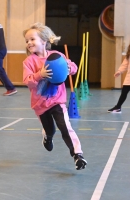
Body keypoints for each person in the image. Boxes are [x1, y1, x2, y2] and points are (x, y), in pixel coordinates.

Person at [22, 22, 87, 170]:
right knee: (50, 129)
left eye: (32, 39)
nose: (29, 43)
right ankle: (48, 136)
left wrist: (69, 67)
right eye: (27, 41)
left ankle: (78, 155)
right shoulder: (29, 62)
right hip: (40, 104)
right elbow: (28, 81)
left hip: (57, 101)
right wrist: (40, 74)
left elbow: (73, 68)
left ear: (44, 41)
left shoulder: (57, 56)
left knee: (65, 127)